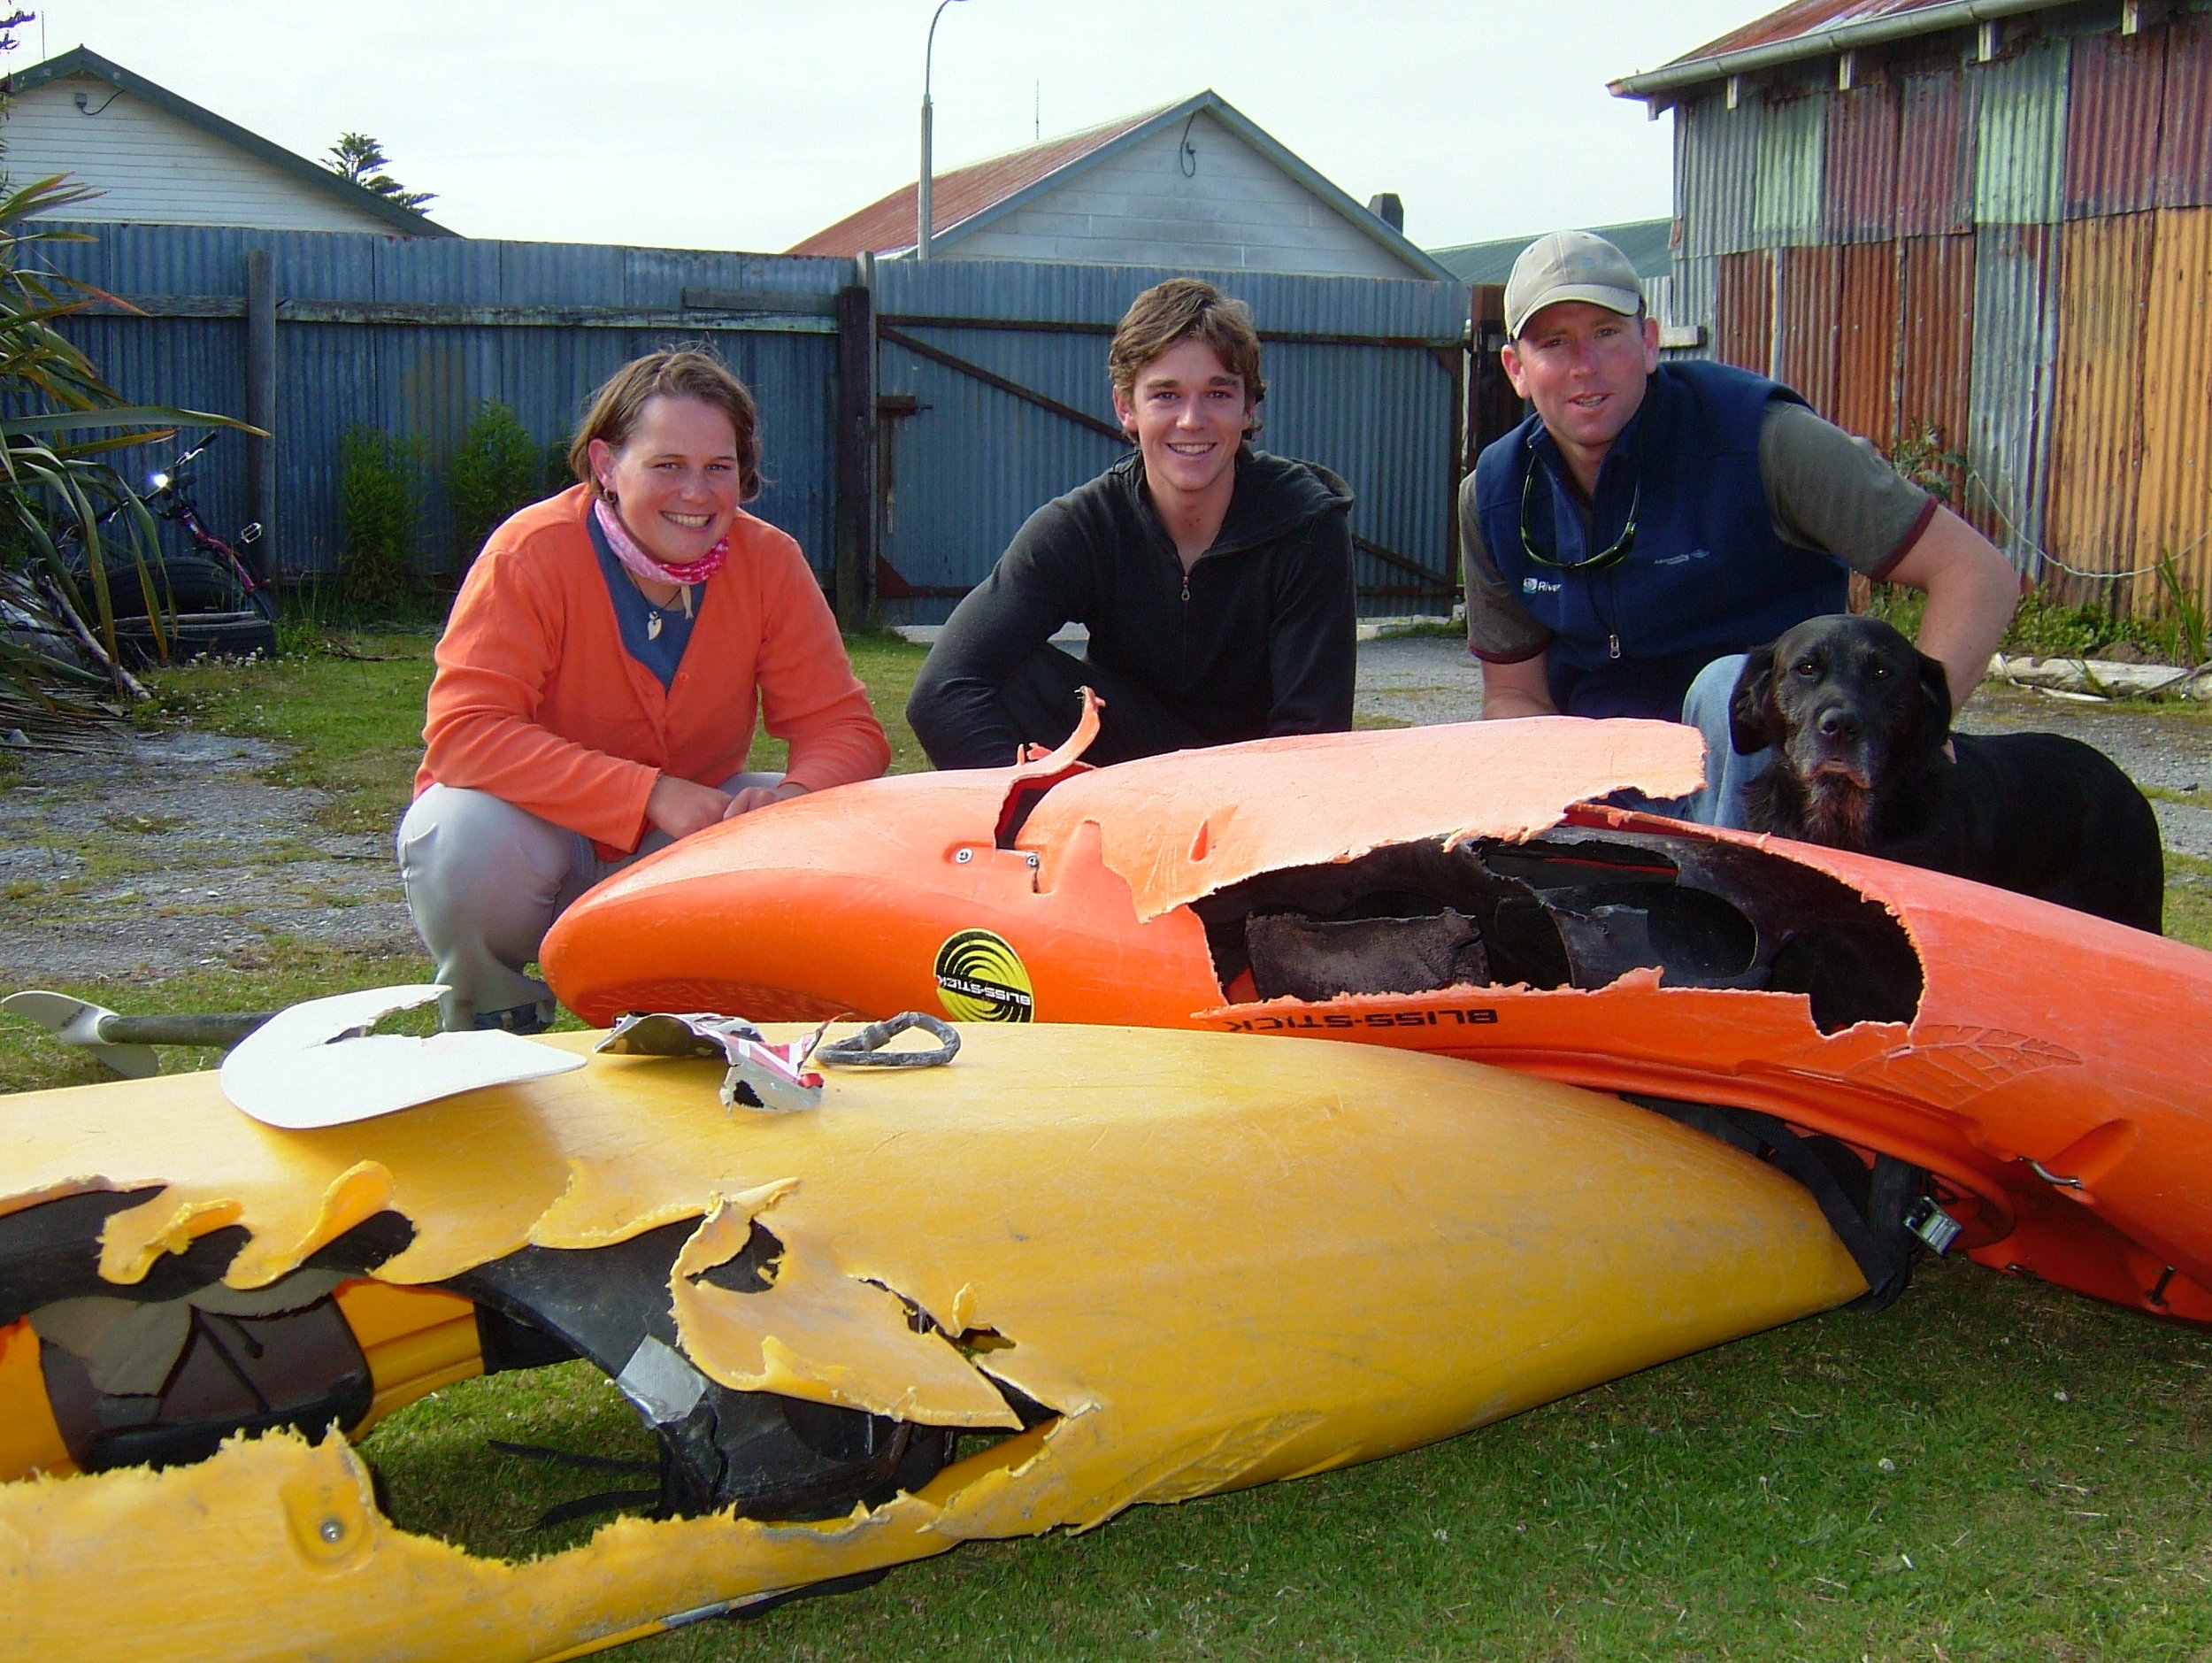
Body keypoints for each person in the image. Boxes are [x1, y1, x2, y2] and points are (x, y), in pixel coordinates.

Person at [398, 347, 890, 1032]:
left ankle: (695, 1012)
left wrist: (790, 801)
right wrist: (649, 792)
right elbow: (465, 733)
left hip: (683, 835)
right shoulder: (530, 552)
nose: (697, 493)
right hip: (539, 829)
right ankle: (492, 1014)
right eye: (667, 466)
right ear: (605, 466)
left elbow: (848, 731)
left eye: (718, 468)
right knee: (458, 827)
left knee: (828, 826)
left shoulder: (769, 560)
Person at [1462, 230, 2021, 825]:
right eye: (1554, 343)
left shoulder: (1766, 440)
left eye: (1606, 334)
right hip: (1607, 773)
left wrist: (1917, 736)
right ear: (1516, 369)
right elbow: (1514, 694)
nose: (1585, 365)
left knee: (1725, 685)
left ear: (1649, 344)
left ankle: (1728, 898)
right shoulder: (1494, 494)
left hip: (1771, 773)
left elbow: (1976, 574)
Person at [906, 277, 1357, 769]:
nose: (1191, 420)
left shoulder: (1306, 526)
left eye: (1218, 394)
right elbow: (940, 693)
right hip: (1121, 772)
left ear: (1249, 408)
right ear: (1126, 408)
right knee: (1007, 667)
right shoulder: (1084, 527)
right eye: (1165, 395)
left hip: (1252, 785)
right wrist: (1035, 808)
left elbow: (1313, 738)